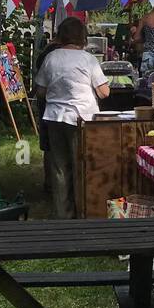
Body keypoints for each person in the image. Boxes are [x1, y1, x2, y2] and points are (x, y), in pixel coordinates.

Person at [33, 17, 110, 218]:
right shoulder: (88, 59)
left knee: (59, 168)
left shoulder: (51, 57)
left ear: (61, 36)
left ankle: (62, 215)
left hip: (55, 117)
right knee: (81, 167)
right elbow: (104, 92)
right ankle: (83, 212)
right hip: (81, 118)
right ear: (82, 37)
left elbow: (40, 90)